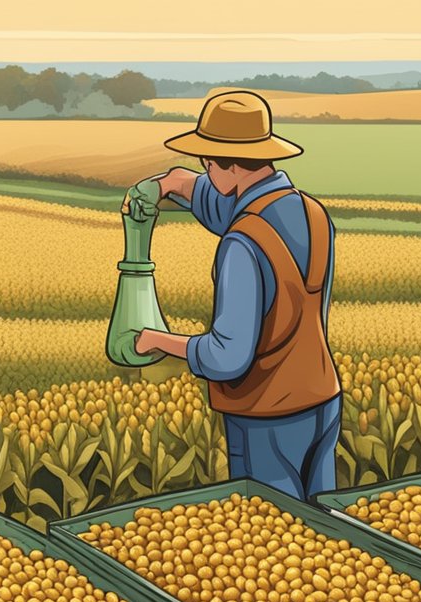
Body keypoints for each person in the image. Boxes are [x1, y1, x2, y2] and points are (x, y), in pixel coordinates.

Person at [127, 89, 342, 499]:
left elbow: (227, 357)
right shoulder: (312, 213)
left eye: (206, 165)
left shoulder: (242, 243)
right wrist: (178, 183)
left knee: (275, 539)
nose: (204, 173)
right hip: (322, 401)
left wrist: (156, 339)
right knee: (326, 531)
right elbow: (234, 204)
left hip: (266, 417)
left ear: (222, 165)